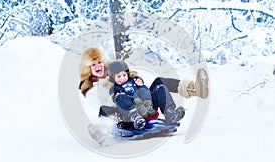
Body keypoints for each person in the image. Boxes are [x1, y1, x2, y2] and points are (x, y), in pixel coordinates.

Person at [79, 47, 208, 129]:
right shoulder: (97, 88)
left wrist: (140, 84)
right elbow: (101, 104)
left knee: (159, 84)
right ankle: (102, 131)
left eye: (99, 62)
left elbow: (144, 92)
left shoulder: (129, 78)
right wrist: (112, 92)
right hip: (126, 114)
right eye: (93, 64)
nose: (98, 66)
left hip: (146, 107)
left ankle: (187, 96)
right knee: (109, 105)